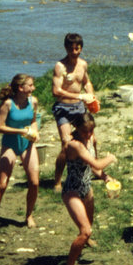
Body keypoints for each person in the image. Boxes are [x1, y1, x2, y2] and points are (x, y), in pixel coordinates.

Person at [60, 112, 116, 265]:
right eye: (85, 131)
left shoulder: (91, 139)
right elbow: (98, 162)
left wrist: (105, 177)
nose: (89, 134)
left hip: (86, 187)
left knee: (88, 224)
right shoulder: (74, 145)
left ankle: (85, 242)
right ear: (77, 128)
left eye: (91, 130)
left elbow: (94, 166)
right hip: (72, 191)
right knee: (86, 231)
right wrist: (110, 158)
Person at [0, 73, 40, 236]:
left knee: (35, 182)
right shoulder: (7, 104)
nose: (33, 88)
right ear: (21, 87)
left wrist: (35, 131)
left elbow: (34, 120)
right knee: (2, 184)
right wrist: (20, 130)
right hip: (10, 144)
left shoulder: (33, 101)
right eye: (30, 85)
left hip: (27, 144)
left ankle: (29, 215)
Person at [51, 33, 97, 192]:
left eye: (77, 49)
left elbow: (86, 82)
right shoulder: (60, 66)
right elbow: (56, 91)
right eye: (71, 49)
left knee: (92, 139)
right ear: (66, 48)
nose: (74, 52)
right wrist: (79, 95)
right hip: (63, 108)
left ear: (81, 48)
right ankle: (57, 181)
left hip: (79, 107)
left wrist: (90, 96)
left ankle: (95, 168)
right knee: (66, 144)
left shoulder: (83, 64)